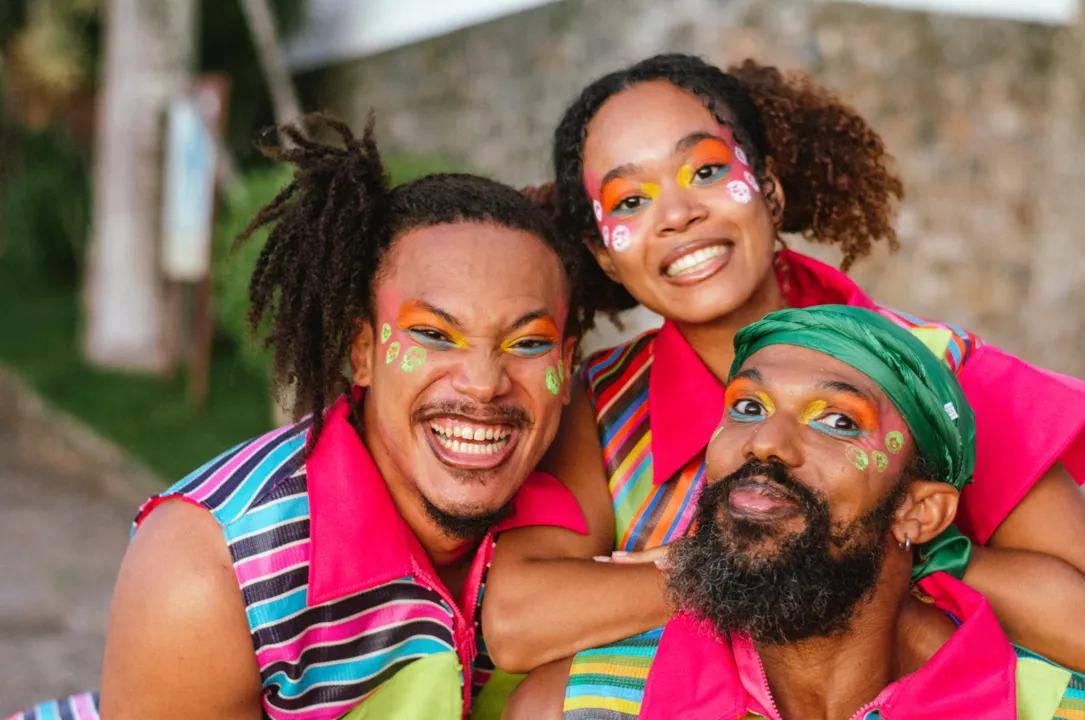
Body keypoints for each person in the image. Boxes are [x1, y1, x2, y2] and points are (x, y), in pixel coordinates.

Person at [482, 53, 1085, 698]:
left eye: (707, 170)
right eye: (631, 199)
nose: (678, 214)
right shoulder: (601, 403)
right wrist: (721, 562)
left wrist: (895, 553)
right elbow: (518, 623)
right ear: (604, 254)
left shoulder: (937, 371)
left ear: (769, 190)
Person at [6, 115, 588, 720]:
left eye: (527, 344)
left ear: (566, 366)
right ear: (362, 352)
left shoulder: (597, 490)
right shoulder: (213, 565)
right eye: (433, 335)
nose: (484, 384)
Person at [511, 305, 1085, 720]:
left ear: (920, 512)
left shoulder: (1053, 709)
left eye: (838, 420)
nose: (765, 440)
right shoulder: (577, 707)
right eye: (747, 405)